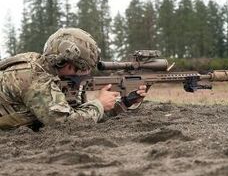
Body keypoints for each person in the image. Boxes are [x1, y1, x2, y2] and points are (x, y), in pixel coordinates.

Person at [0, 28, 147, 130]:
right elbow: (66, 124)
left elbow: (81, 115)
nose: (85, 73)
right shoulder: (35, 79)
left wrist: (125, 102)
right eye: (82, 68)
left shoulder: (51, 73)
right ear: (65, 62)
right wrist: (99, 104)